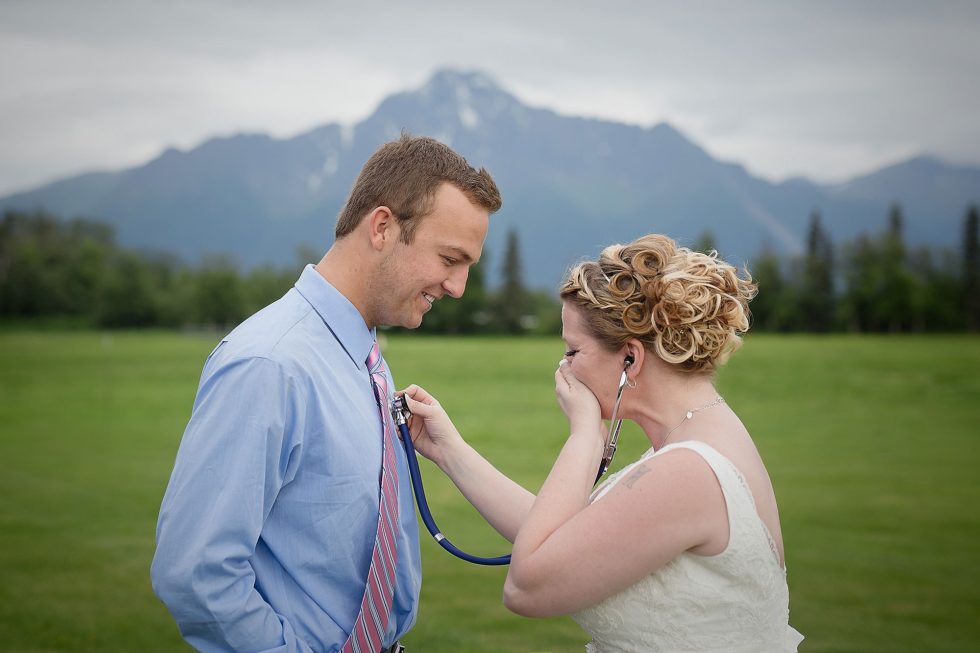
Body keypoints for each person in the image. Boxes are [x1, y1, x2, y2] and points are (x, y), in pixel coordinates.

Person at [150, 134, 501, 653]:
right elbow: (195, 573)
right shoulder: (270, 364)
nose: (458, 286)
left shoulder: (361, 355)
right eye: (450, 258)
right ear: (382, 227)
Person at [401, 233, 803, 652]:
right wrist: (448, 450)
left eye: (573, 351)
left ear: (631, 357)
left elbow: (527, 586)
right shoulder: (696, 441)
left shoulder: (688, 472)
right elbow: (566, 540)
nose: (564, 369)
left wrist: (584, 436)